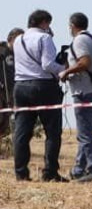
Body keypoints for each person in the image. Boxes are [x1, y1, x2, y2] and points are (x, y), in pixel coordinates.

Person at [12, 10, 65, 182]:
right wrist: (63, 69)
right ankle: (49, 172)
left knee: (21, 131)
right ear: (44, 22)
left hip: (20, 86)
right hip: (43, 86)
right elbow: (47, 64)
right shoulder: (44, 38)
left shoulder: (18, 39)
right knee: (52, 131)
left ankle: (21, 172)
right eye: (48, 24)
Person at [59, 12, 92, 183]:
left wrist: (66, 71)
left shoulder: (80, 40)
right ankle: (79, 169)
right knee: (85, 132)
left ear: (72, 25)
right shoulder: (91, 38)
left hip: (85, 92)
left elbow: (84, 62)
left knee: (85, 134)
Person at [0, 28, 19, 161]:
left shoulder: (20, 53)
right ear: (11, 38)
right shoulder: (2, 51)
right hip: (1, 90)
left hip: (11, 92)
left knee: (4, 124)